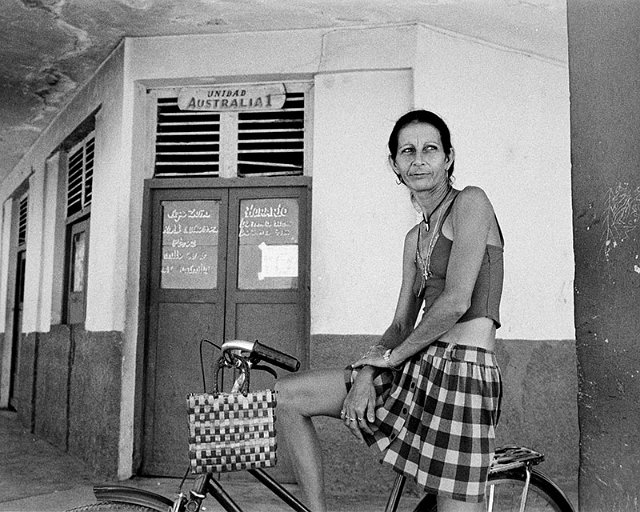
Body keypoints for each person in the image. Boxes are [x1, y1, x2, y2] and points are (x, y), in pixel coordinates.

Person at [276, 109, 504, 512]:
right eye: (407, 151)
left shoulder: (471, 202)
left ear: (448, 158)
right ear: (394, 164)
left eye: (430, 149)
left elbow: (456, 302)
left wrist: (390, 360)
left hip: (463, 373)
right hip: (416, 365)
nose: (419, 159)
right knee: (288, 396)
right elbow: (401, 322)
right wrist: (366, 373)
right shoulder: (414, 238)